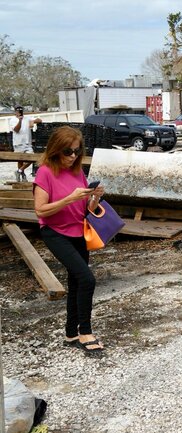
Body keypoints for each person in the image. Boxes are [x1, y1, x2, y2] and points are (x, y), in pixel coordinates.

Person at [33, 126, 105, 354]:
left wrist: (93, 199)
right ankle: (85, 331)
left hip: (77, 230)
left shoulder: (77, 171)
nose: (73, 156)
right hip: (55, 232)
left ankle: (71, 333)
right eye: (67, 151)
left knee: (76, 281)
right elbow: (41, 211)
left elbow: (84, 208)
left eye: (76, 151)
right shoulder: (45, 172)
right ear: (55, 150)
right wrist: (69, 198)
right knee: (87, 279)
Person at [10, 105, 43, 182]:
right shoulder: (12, 120)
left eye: (21, 111)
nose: (20, 112)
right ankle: (22, 175)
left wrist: (34, 121)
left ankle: (19, 171)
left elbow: (40, 120)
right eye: (18, 111)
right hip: (18, 143)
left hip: (28, 143)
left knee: (31, 158)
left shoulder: (28, 118)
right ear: (15, 112)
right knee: (20, 160)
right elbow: (16, 130)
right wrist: (20, 120)